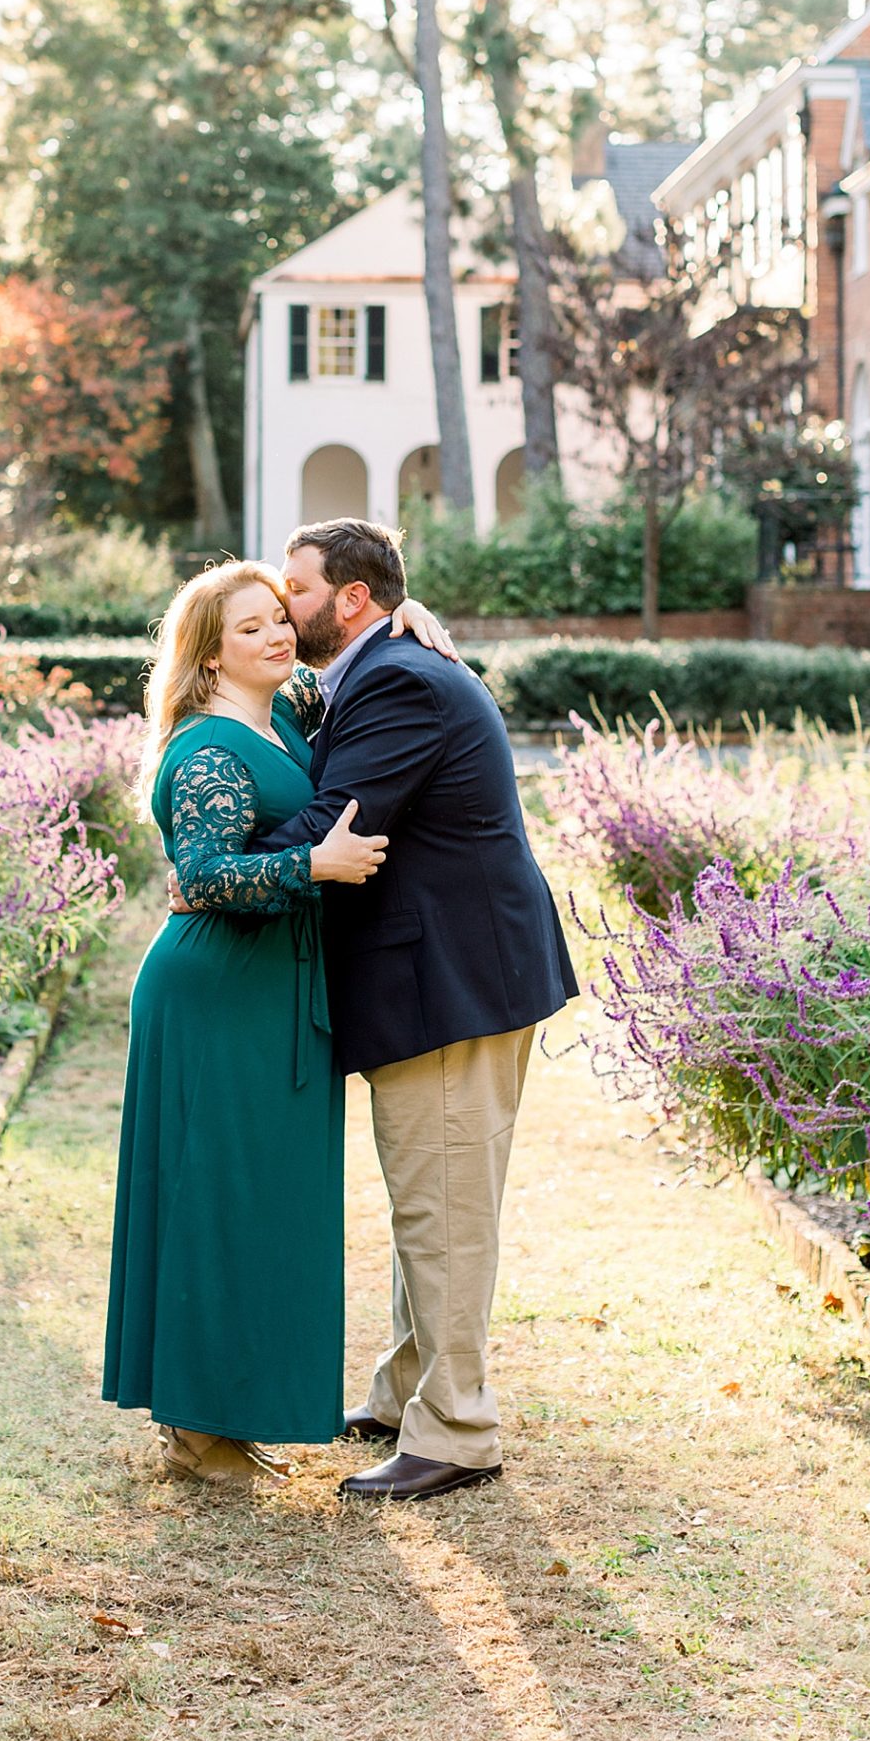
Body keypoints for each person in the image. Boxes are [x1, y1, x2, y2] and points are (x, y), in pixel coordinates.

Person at [245, 517, 579, 1502]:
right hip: (448, 976)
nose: (282, 608)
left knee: (445, 1212)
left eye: (295, 591)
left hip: (452, 985)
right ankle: (405, 1391)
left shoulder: (395, 677)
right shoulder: (379, 663)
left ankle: (460, 1430)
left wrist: (214, 843)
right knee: (425, 1201)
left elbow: (333, 826)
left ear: (351, 599)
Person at [101, 559, 453, 1485]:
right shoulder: (208, 748)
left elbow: (350, 648)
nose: (274, 636)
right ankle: (195, 1426)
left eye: (276, 619)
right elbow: (208, 873)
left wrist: (403, 611)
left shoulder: (286, 715)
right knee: (215, 1200)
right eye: (249, 628)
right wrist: (313, 871)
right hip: (217, 997)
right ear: (210, 658)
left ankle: (229, 1408)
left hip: (275, 994)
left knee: (263, 1206)